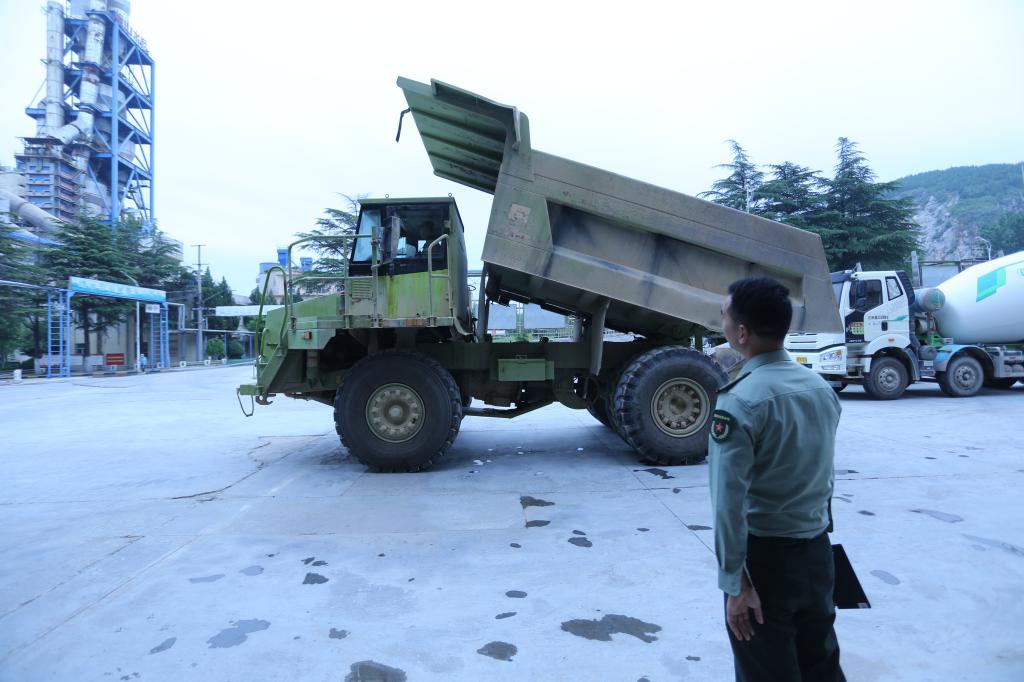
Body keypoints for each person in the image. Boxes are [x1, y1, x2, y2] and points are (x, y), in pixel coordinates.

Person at [709, 276, 845, 682]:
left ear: (742, 333)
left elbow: (727, 505)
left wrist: (736, 584)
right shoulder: (819, 388)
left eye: (724, 315)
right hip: (817, 554)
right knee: (821, 666)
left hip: (766, 564)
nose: (721, 322)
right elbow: (823, 472)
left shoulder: (739, 402)